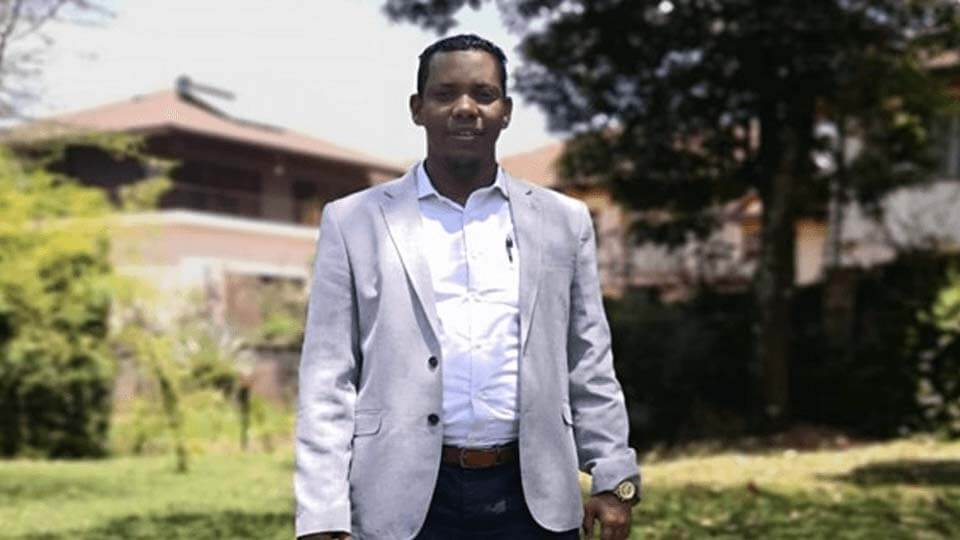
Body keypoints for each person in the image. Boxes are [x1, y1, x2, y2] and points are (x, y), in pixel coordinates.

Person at [295, 34, 639, 540]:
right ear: (418, 109)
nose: (464, 108)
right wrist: (322, 513)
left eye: (483, 94)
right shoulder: (354, 221)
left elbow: (588, 357)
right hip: (403, 501)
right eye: (445, 93)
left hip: (532, 500)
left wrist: (612, 476)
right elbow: (328, 376)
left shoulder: (562, 221)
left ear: (506, 111)